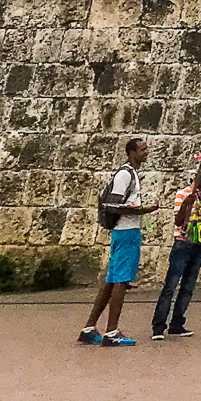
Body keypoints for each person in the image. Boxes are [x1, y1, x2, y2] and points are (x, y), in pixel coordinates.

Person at [79, 136, 154, 346]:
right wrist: (142, 210)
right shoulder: (125, 174)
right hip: (126, 232)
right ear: (132, 152)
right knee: (121, 281)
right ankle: (111, 332)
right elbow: (112, 205)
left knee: (111, 281)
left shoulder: (131, 174)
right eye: (142, 149)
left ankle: (89, 328)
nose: (145, 152)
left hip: (125, 232)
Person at [149, 153, 201, 341]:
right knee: (170, 285)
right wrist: (189, 202)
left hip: (198, 243)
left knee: (187, 287)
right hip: (183, 243)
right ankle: (158, 326)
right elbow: (178, 221)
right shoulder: (183, 194)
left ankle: (177, 324)